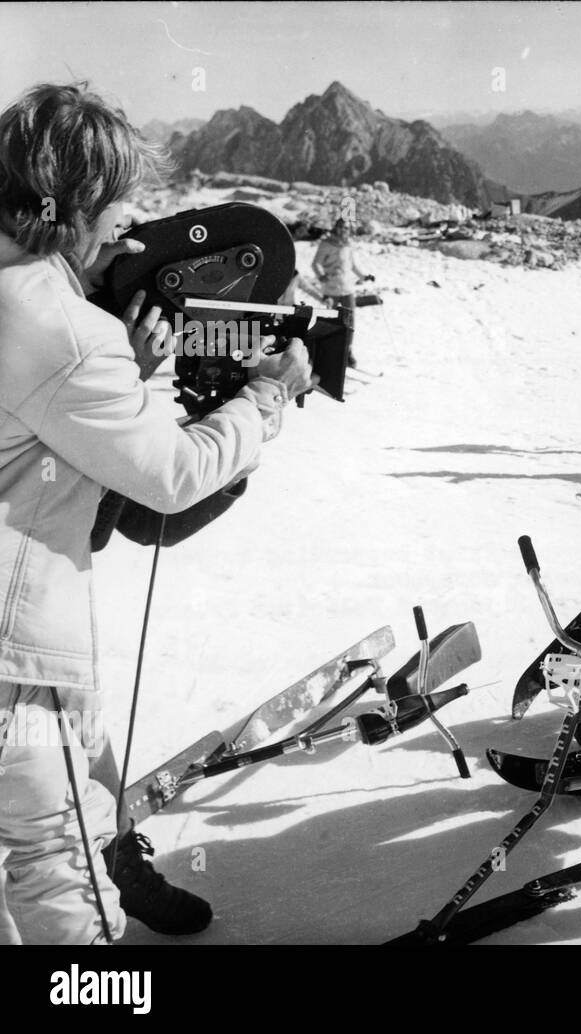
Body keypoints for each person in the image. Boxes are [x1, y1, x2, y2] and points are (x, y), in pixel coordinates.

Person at [0, 82, 312, 944]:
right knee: (56, 871)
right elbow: (172, 477)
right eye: (118, 201)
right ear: (73, 202)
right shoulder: (63, 328)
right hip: (16, 654)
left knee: (78, 807)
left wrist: (130, 377)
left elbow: (41, 435)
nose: (129, 227)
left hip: (26, 638)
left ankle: (126, 871)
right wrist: (268, 396)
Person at [312, 218, 370, 369]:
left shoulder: (349, 245)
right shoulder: (327, 244)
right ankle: (323, 351)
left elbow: (354, 266)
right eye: (341, 227)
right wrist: (321, 275)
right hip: (331, 288)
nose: (343, 230)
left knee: (350, 322)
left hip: (347, 288)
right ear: (335, 228)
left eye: (346, 228)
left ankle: (347, 352)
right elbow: (316, 263)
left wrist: (364, 276)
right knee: (329, 321)